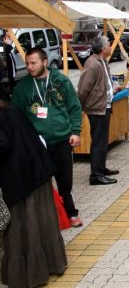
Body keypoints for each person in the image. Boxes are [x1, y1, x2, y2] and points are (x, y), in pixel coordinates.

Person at [12, 47, 84, 228]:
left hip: (62, 141)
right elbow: (16, 117)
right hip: (37, 145)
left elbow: (74, 107)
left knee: (65, 181)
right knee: (41, 183)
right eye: (27, 63)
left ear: (44, 62)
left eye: (33, 63)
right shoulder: (22, 88)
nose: (29, 67)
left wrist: (76, 132)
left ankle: (71, 213)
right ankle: (46, 218)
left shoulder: (61, 81)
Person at [0, 100, 68, 288]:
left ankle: (29, 274)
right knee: (42, 221)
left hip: (19, 179)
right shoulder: (13, 109)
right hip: (38, 171)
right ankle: (52, 264)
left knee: (22, 226)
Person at [77, 37, 119, 186]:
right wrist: (80, 108)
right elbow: (83, 90)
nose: (110, 47)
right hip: (96, 108)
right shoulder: (93, 64)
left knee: (102, 141)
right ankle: (96, 175)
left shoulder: (102, 62)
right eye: (108, 45)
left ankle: (101, 168)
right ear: (102, 49)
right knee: (98, 142)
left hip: (103, 106)